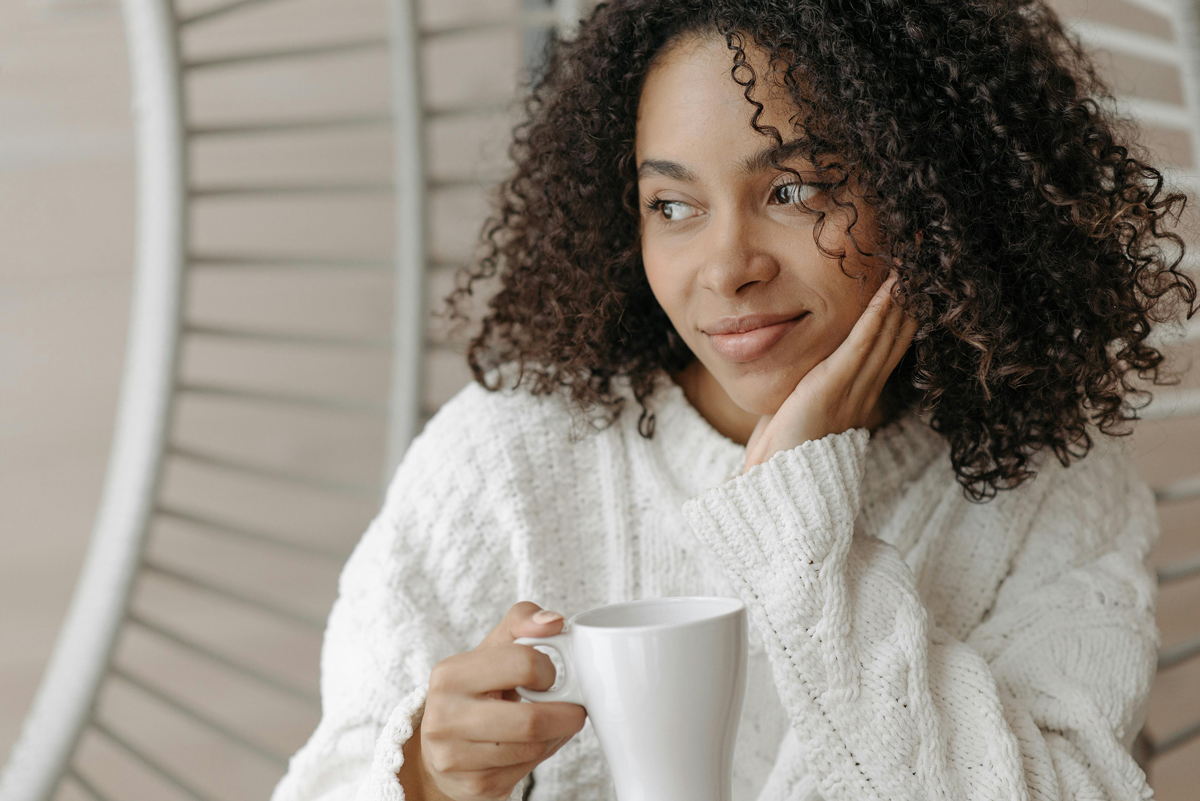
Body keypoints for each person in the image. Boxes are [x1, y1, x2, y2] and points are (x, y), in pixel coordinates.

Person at [272, 1, 1197, 799]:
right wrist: (429, 776)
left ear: (934, 192)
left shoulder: (1050, 488)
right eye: (672, 206)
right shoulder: (509, 459)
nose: (726, 267)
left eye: (793, 190)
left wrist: (798, 508)